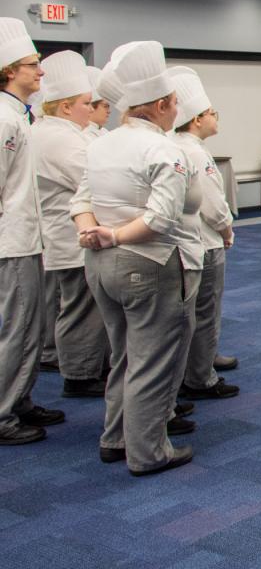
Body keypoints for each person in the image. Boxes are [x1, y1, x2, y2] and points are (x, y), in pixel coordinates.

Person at [70, 41, 200, 476]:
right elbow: (161, 218)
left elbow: (80, 201)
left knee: (122, 354)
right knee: (151, 360)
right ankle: (147, 452)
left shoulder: (100, 144)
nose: (177, 110)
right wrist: (116, 234)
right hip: (147, 263)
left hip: (100, 264)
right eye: (175, 103)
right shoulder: (163, 150)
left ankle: (115, 437)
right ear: (161, 105)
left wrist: (93, 232)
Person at [0, 18, 65, 447]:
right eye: (32, 64)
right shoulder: (3, 120)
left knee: (31, 327)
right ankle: (3, 414)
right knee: (19, 328)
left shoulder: (18, 116)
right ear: (8, 71)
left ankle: (19, 399)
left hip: (27, 237)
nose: (40, 71)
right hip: (12, 241)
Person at [32, 51, 109, 397]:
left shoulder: (64, 132)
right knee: (81, 309)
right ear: (65, 107)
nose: (91, 110)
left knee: (86, 307)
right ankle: (79, 375)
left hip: (73, 236)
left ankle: (89, 366)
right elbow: (96, 180)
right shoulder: (60, 138)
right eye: (86, 103)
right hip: (71, 238)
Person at [169, 68, 240, 402]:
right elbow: (213, 204)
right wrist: (227, 229)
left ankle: (201, 361)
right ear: (197, 119)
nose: (216, 118)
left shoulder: (179, 146)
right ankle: (201, 376)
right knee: (206, 310)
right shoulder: (196, 153)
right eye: (212, 113)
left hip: (186, 241)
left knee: (193, 312)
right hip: (205, 241)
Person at [85, 65, 109, 140]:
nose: (109, 111)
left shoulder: (104, 131)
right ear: (91, 107)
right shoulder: (85, 134)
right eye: (105, 106)